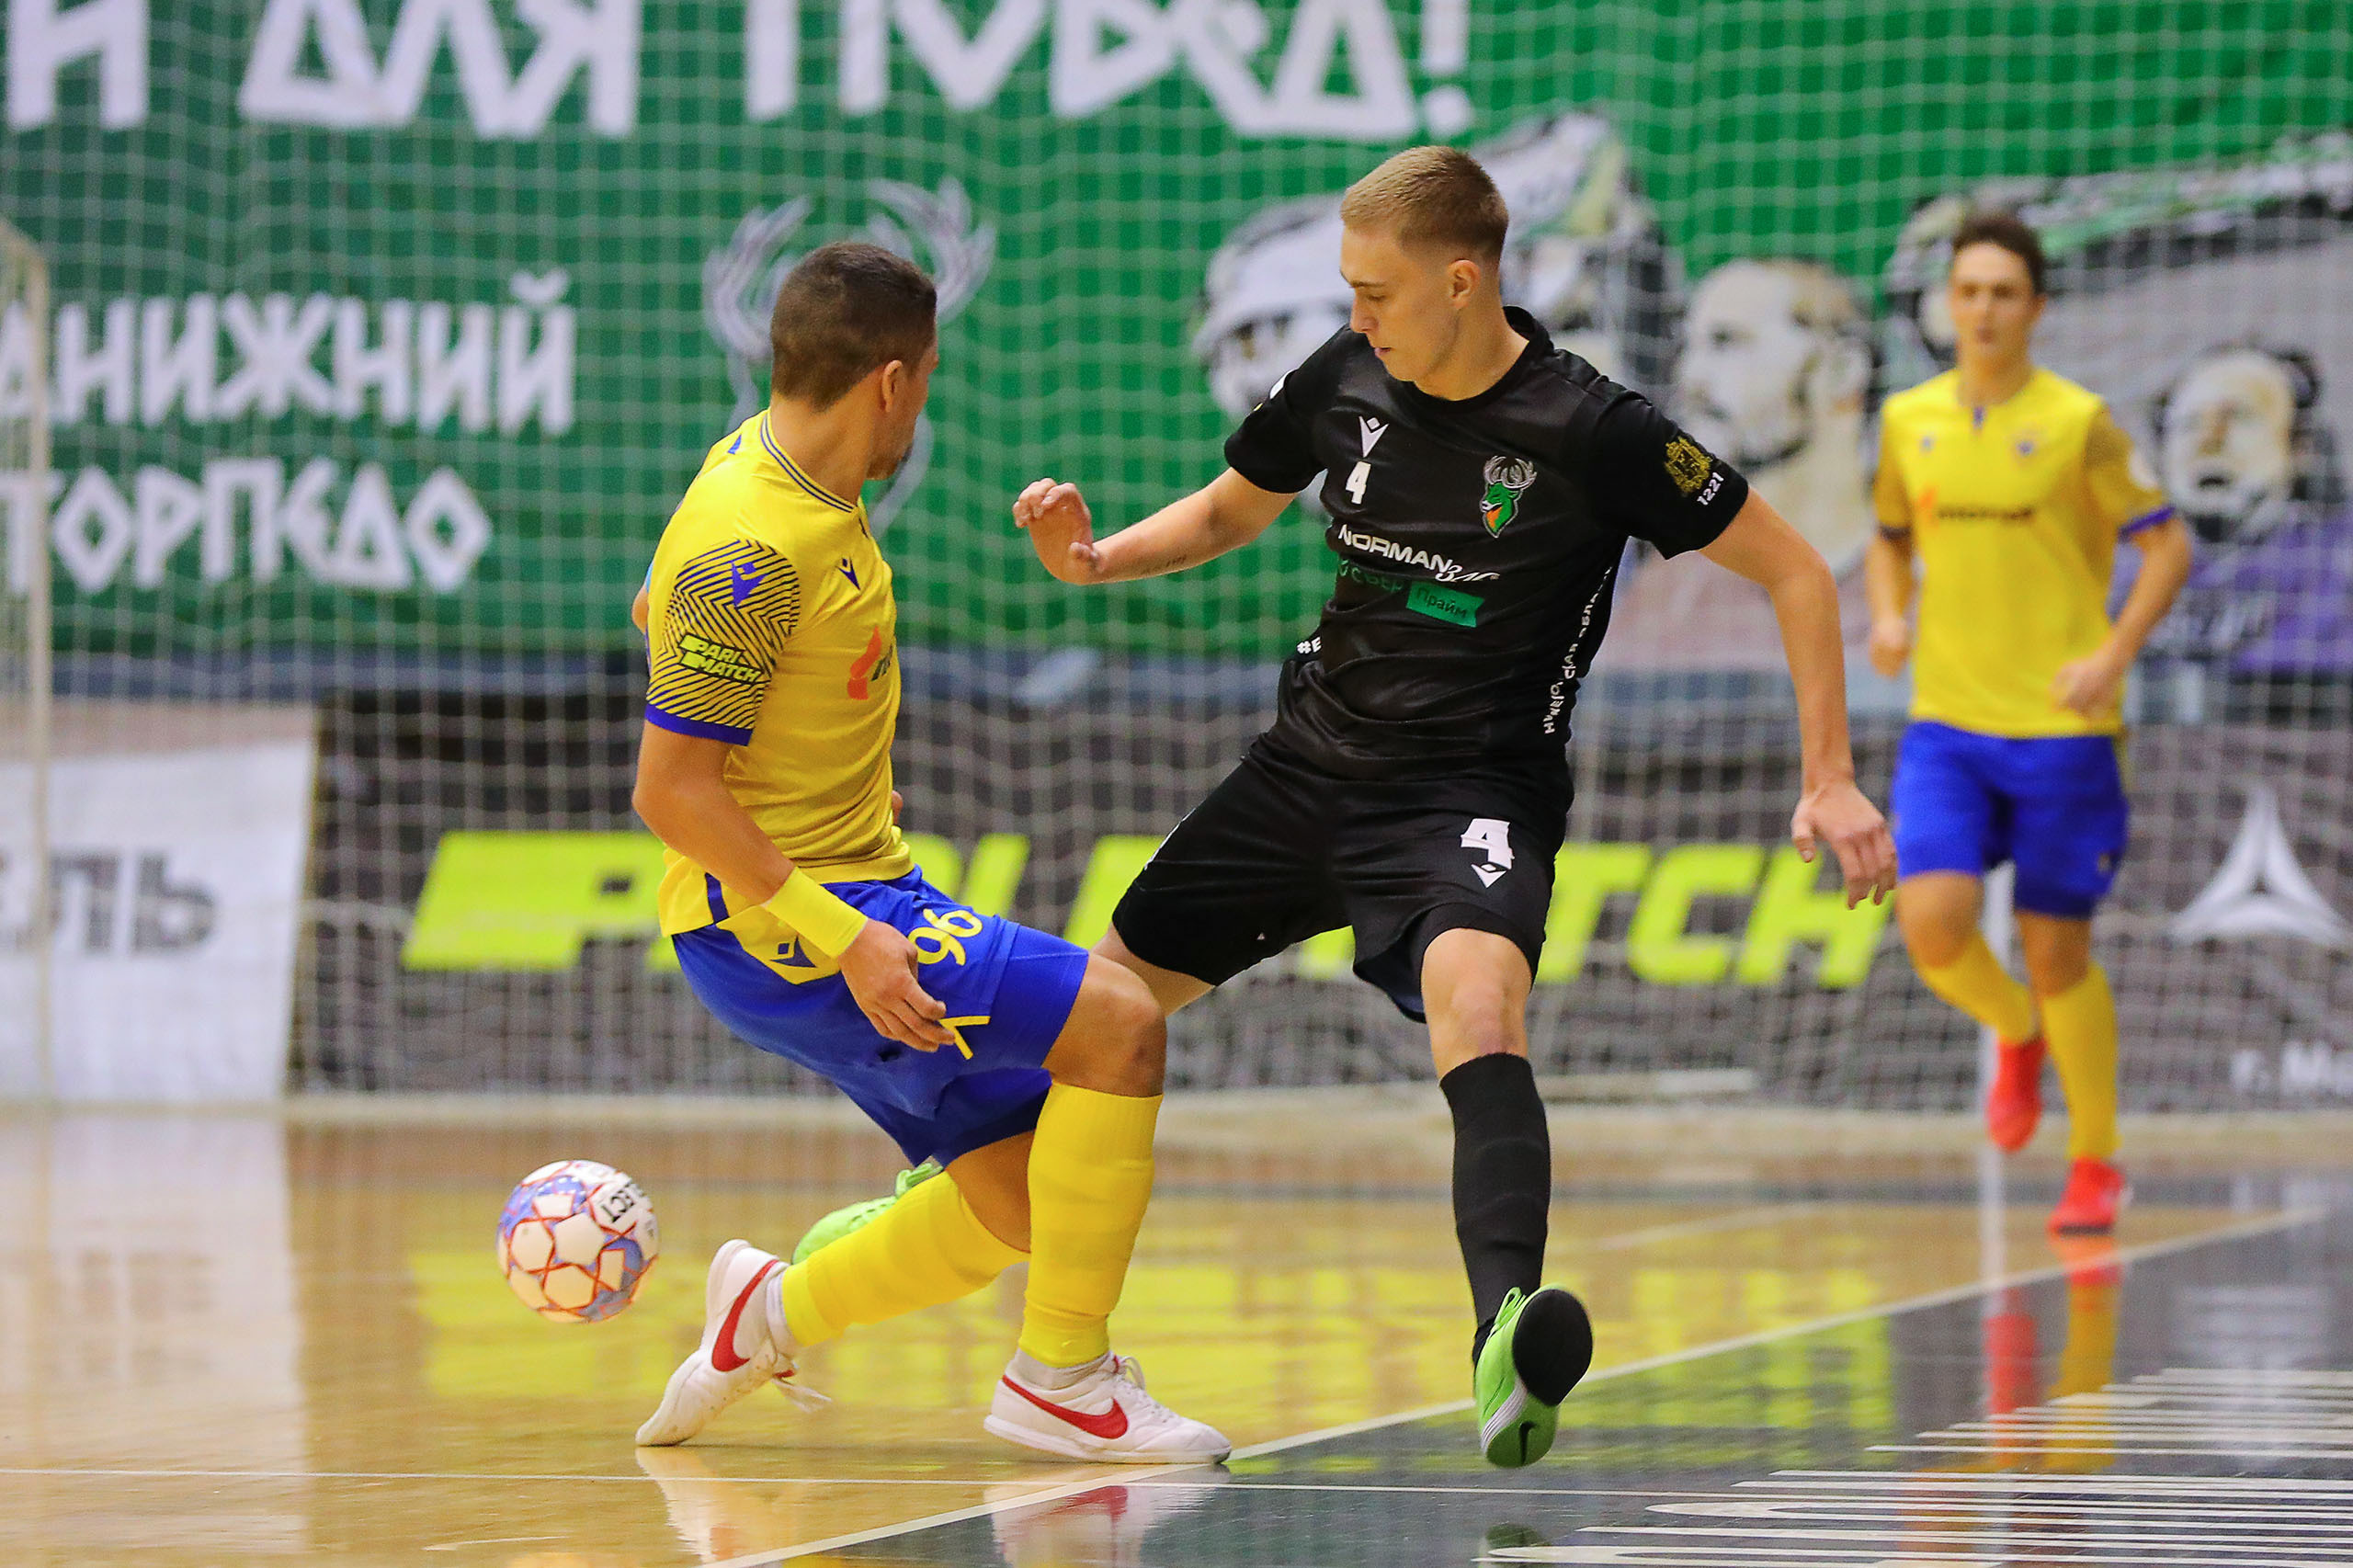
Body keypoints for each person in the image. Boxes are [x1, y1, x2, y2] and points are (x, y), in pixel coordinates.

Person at [1013, 146, 1895, 1468]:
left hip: (1472, 794)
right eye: (1349, 291)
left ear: (1462, 282)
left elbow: (1797, 572)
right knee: (1098, 1016)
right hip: (1305, 769)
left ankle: (1506, 1339)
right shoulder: (1345, 374)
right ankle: (921, 1241)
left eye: (1375, 292)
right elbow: (1228, 511)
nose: (1356, 314)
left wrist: (1826, 774)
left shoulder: (1596, 428)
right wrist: (1094, 560)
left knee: (1481, 1006)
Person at [628, 240, 1227, 1463]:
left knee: (1021, 1198)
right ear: (893, 381)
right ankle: (1064, 1379)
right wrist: (848, 937)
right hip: (788, 922)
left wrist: (818, 760)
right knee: (1120, 1025)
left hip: (841, 884)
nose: (923, 407)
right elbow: (671, 791)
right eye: (931, 379)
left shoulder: (775, 469)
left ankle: (767, 1312)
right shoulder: (751, 541)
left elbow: (657, 611)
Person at [1866, 210, 2194, 1233]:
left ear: (2037, 307)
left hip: (2062, 731)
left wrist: (2111, 655)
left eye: (2003, 292)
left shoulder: (2078, 421)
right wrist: (1887, 612)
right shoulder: (1907, 419)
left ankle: (2095, 1160)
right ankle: (2015, 1031)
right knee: (1931, 920)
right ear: (1946, 304)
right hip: (1947, 725)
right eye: (1967, 291)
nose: (1983, 310)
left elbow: (2168, 545)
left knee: (2059, 957)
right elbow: (1887, 537)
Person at [1606, 258, 1878, 671]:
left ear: (1843, 370)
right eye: (1687, 348)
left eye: (1726, 342)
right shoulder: (1671, 590)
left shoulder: (1921, 575)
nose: (1690, 376)